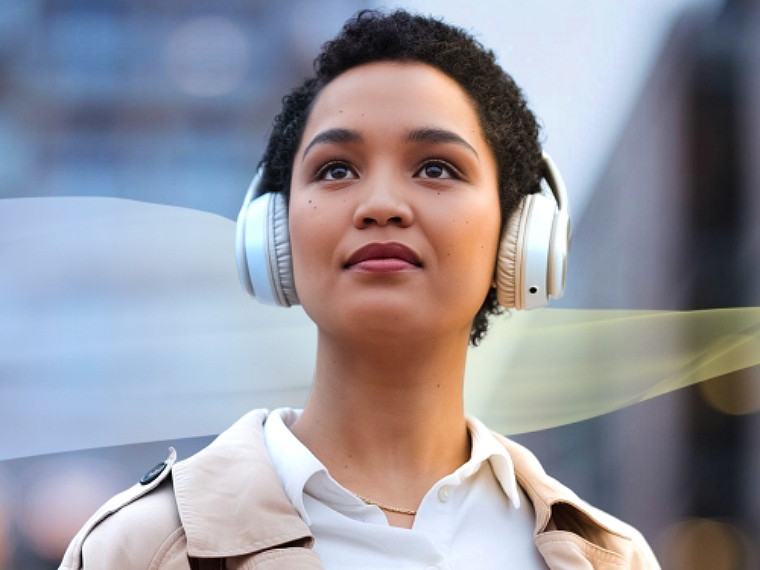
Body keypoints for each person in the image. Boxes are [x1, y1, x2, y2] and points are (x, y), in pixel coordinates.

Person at [60, 9, 660, 569]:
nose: (380, 206)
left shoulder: (607, 557)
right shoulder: (138, 548)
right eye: (336, 169)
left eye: (436, 168)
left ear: (520, 235)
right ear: (274, 234)